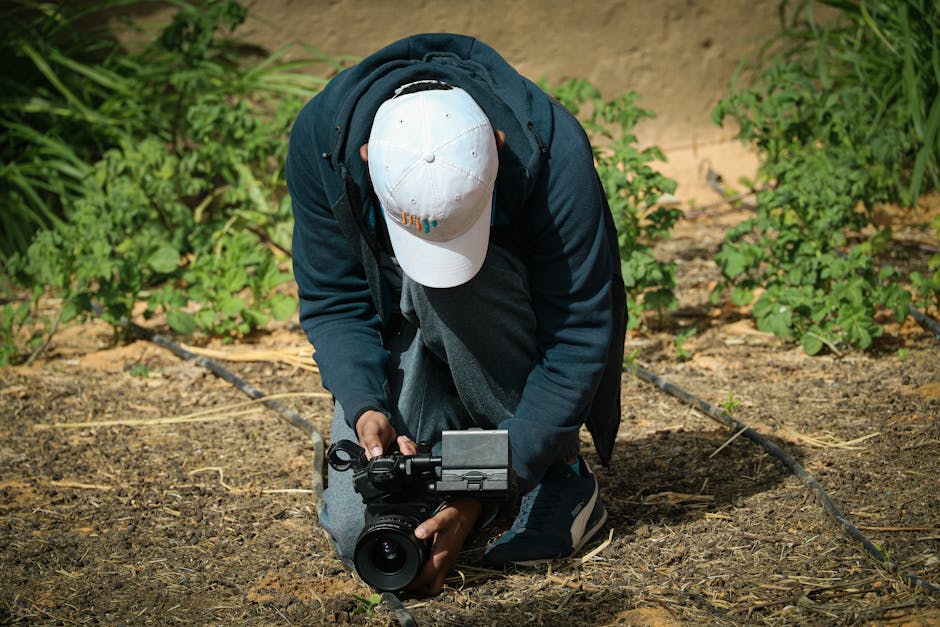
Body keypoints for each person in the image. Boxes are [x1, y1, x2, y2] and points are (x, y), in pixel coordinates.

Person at [286, 33, 626, 595]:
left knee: (444, 288)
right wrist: (365, 404)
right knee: (360, 535)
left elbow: (577, 333)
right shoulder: (326, 141)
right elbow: (334, 300)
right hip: (408, 333)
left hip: (506, 335)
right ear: (367, 160)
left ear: (496, 144)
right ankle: (479, 454)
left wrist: (475, 489)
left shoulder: (549, 146)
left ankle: (556, 474)